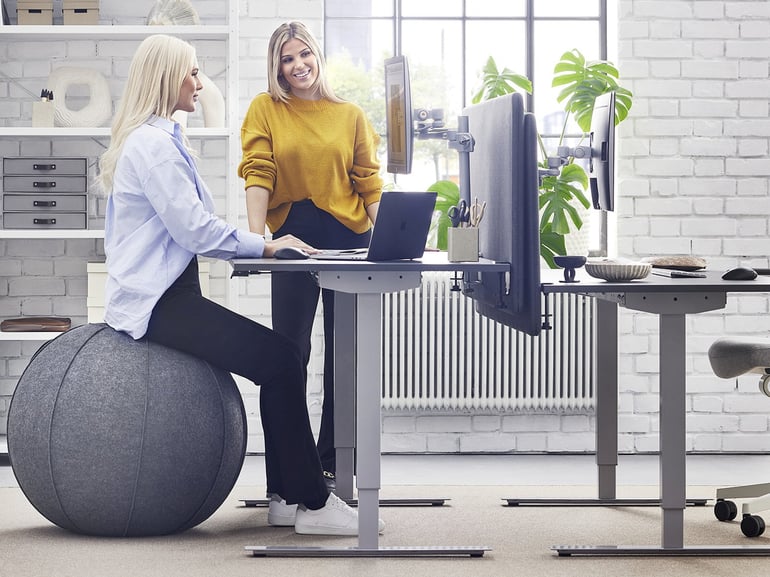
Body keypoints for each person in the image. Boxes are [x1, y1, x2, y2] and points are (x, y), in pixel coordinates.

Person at [97, 34, 382, 536]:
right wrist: (266, 245)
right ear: (168, 78)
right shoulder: (154, 147)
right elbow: (193, 229)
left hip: (170, 294)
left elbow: (190, 224)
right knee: (279, 359)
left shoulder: (160, 139)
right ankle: (313, 504)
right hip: (158, 302)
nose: (199, 82)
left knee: (281, 357)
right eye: (192, 73)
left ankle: (290, 499)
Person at [238, 22, 384, 489]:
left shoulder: (350, 114)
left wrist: (392, 240)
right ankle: (286, 476)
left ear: (317, 56)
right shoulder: (266, 109)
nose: (298, 65)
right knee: (290, 354)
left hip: (348, 236)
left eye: (304, 54)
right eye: (286, 58)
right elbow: (258, 171)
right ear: (276, 66)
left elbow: (368, 182)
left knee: (346, 359)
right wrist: (256, 240)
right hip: (294, 239)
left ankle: (333, 469)